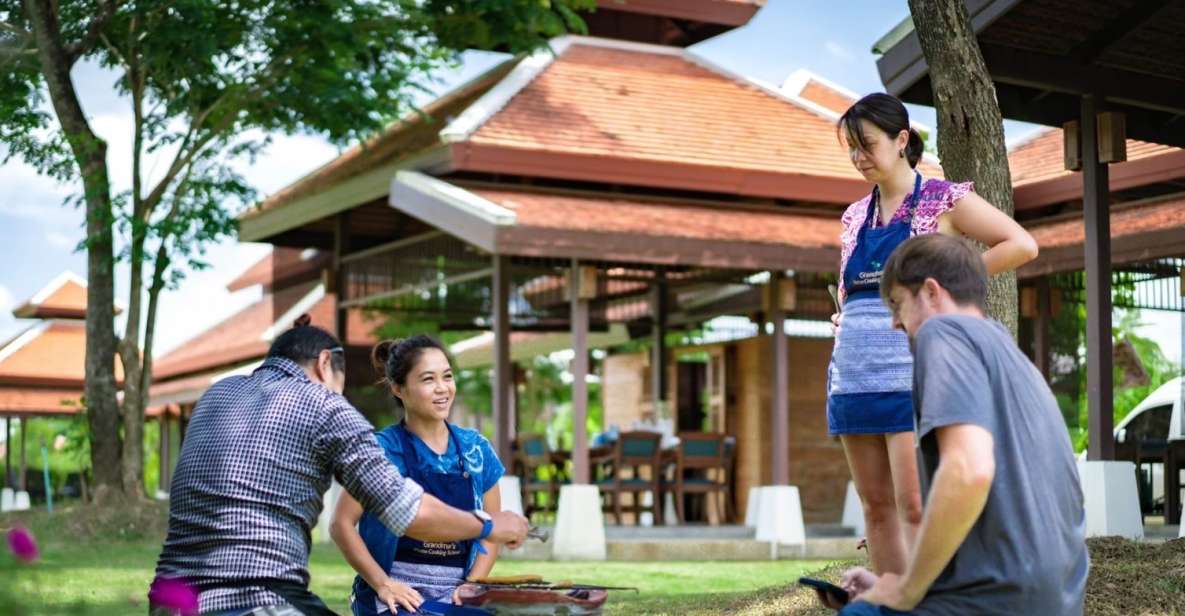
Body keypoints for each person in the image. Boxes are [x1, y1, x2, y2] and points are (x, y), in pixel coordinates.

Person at [150, 317, 528, 616]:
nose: (337, 396)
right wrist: (491, 526)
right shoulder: (325, 406)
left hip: (172, 595)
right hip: (254, 596)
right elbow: (406, 511)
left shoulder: (218, 393)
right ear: (325, 363)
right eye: (338, 386)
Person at [827, 93, 1038, 575]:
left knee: (914, 506)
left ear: (902, 140)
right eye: (852, 149)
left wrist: (945, 288)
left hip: (911, 374)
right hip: (852, 377)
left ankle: (927, 602)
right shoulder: (854, 216)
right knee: (876, 509)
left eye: (868, 145)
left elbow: (1021, 244)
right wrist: (845, 318)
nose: (859, 158)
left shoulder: (943, 199)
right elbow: (852, 290)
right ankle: (887, 605)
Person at [826, 234, 1088, 615]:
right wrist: (902, 581)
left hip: (994, 601)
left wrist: (907, 592)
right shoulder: (1009, 354)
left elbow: (968, 470)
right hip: (1053, 599)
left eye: (897, 305)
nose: (895, 324)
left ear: (932, 292)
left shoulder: (941, 333)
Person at [331, 336, 504, 615]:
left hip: (457, 593)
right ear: (399, 389)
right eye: (428, 379)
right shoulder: (381, 450)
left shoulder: (477, 450)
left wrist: (471, 584)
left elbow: (493, 529)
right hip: (393, 595)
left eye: (447, 377)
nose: (442, 389)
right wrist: (383, 583)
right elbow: (341, 524)